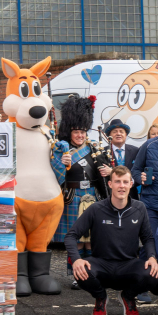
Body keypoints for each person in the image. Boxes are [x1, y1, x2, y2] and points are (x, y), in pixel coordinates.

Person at [67, 166, 158, 315]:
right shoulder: (96, 208)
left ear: (131, 184)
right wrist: (76, 259)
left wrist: (152, 257)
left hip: (128, 264)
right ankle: (100, 297)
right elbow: (71, 235)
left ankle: (128, 296)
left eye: (125, 182)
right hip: (101, 264)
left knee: (153, 273)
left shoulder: (140, 208)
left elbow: (148, 238)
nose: (121, 186)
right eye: (117, 181)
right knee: (80, 271)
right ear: (110, 184)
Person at [51, 99, 108, 247]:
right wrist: (62, 163)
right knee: (74, 240)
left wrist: (109, 171)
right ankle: (75, 263)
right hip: (72, 196)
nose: (80, 135)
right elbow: (55, 175)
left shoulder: (94, 148)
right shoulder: (62, 150)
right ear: (70, 133)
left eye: (82, 132)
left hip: (93, 194)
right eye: (76, 132)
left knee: (91, 240)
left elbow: (106, 170)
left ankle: (90, 262)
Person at [99, 119, 139, 200]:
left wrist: (112, 172)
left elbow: (138, 174)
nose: (118, 134)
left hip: (132, 198)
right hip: (110, 198)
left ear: (126, 135)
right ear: (109, 136)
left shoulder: (136, 151)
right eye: (115, 132)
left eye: (121, 131)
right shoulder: (102, 153)